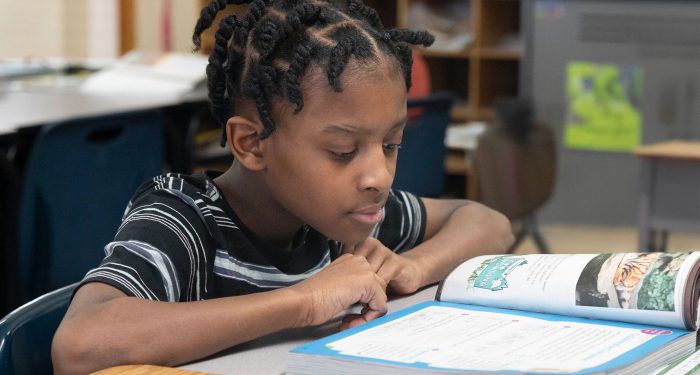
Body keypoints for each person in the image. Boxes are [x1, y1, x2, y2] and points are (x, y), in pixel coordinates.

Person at [51, 0, 513, 373]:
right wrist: (300, 302)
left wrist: (412, 268)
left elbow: (487, 222)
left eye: (391, 144)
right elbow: (80, 343)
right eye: (342, 152)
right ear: (252, 144)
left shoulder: (337, 216)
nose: (380, 177)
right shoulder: (183, 219)